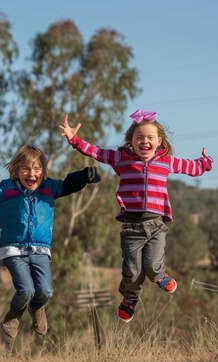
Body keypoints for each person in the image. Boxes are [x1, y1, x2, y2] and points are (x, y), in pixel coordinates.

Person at [59, 110, 213, 322]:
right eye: (139, 137)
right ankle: (129, 299)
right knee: (132, 272)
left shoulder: (166, 161)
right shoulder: (121, 159)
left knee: (152, 267)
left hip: (157, 225)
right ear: (131, 141)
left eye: (150, 138)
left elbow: (191, 167)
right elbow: (96, 152)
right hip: (131, 227)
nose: (145, 141)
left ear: (159, 141)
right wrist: (73, 138)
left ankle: (159, 275)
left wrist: (205, 163)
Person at [0, 145, 101, 337]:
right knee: (26, 290)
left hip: (40, 250)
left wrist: (85, 176)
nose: (31, 173)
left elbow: (69, 183)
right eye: (25, 168)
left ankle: (36, 308)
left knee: (46, 291)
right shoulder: (6, 189)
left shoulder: (49, 188)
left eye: (36, 168)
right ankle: (14, 314)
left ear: (43, 171)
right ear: (16, 170)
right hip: (13, 250)